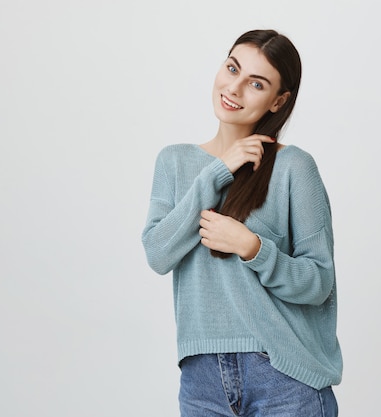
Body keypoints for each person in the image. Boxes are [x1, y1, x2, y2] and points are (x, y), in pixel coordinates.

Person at [141, 29, 342, 416]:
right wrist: (218, 172)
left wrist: (254, 248)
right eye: (232, 68)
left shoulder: (294, 168)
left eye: (256, 83)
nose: (234, 88)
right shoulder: (175, 162)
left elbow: (319, 283)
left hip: (285, 377)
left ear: (278, 100)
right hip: (202, 382)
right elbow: (157, 253)